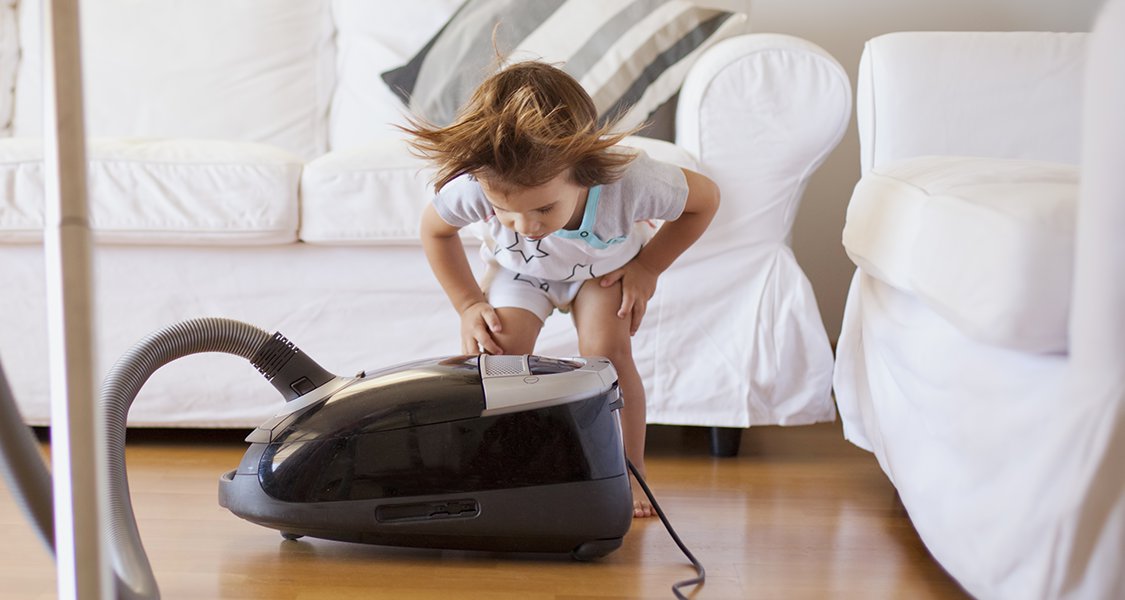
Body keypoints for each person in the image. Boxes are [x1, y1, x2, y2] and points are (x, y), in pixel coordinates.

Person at [403, 61, 719, 518]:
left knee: (607, 354)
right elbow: (435, 231)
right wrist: (469, 303)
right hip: (521, 274)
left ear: (584, 171)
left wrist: (649, 267)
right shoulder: (477, 184)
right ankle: (500, 469)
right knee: (496, 355)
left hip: (603, 273)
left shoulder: (629, 181)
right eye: (505, 212)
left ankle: (629, 470)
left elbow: (705, 201)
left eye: (543, 209)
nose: (527, 227)